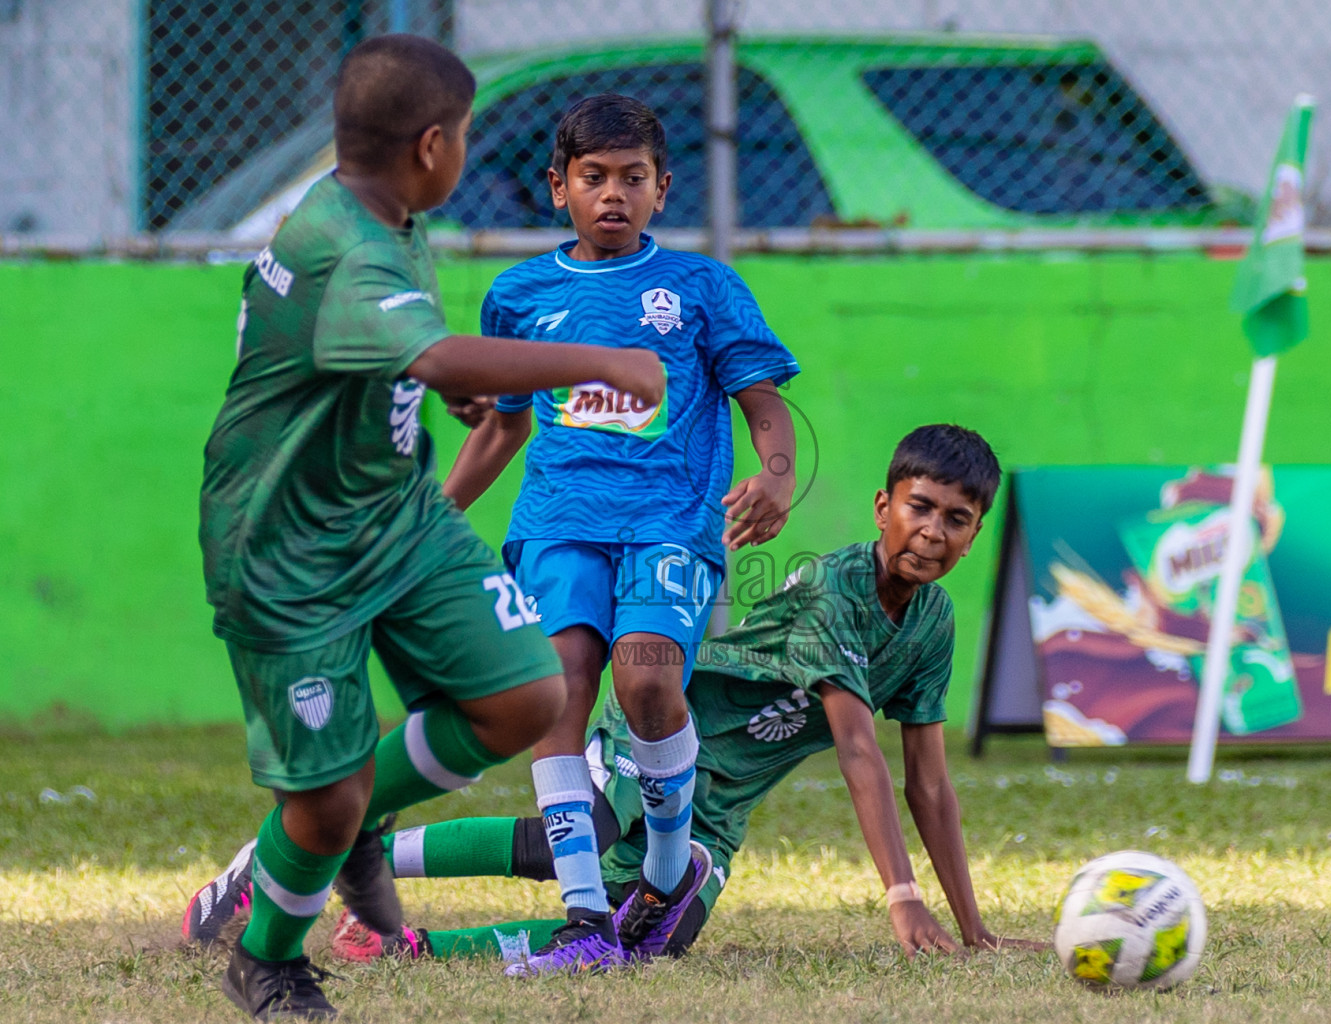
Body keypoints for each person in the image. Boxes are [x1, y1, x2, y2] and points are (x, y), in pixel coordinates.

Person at [196, 36, 662, 1019]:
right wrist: (601, 362)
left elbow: (398, 357)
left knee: (525, 694)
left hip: (395, 516)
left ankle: (360, 813)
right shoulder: (348, 243)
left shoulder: (383, 208)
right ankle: (268, 957)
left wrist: (418, 384)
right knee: (319, 803)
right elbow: (442, 355)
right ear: (434, 144)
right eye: (468, 138)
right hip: (290, 552)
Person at [323, 425, 1044, 964]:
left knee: (645, 942)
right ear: (884, 506)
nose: (933, 531)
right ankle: (363, 857)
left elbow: (931, 785)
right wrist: (902, 897)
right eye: (921, 507)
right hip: (665, 727)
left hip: (722, 803)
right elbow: (857, 746)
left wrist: (973, 929)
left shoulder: (933, 623)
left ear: (977, 534)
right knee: (578, 837)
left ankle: (412, 948)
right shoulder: (837, 586)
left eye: (957, 519)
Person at [439, 92, 800, 974]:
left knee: (646, 682)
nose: (613, 195)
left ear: (662, 189)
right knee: (558, 692)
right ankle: (585, 919)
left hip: (669, 527)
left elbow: (763, 406)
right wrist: (436, 514)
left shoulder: (701, 288)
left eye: (632, 179)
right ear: (558, 186)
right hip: (559, 522)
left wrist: (776, 476)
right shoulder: (519, 296)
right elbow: (505, 425)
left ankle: (670, 872)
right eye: (593, 178)